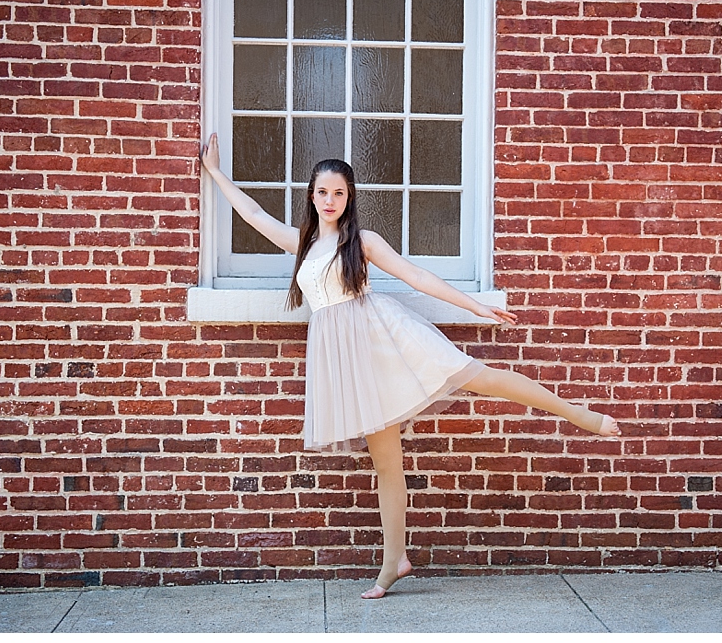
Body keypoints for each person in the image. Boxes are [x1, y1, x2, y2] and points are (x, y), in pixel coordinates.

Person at [200, 135, 621, 599]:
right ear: (311, 196)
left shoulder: (361, 241)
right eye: (322, 192)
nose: (330, 200)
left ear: (350, 197)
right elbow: (253, 216)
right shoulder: (302, 242)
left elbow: (416, 276)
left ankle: (582, 416)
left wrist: (475, 305)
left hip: (383, 339)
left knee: (480, 377)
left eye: (339, 192)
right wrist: (216, 172)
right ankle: (394, 561)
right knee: (387, 465)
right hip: (346, 361)